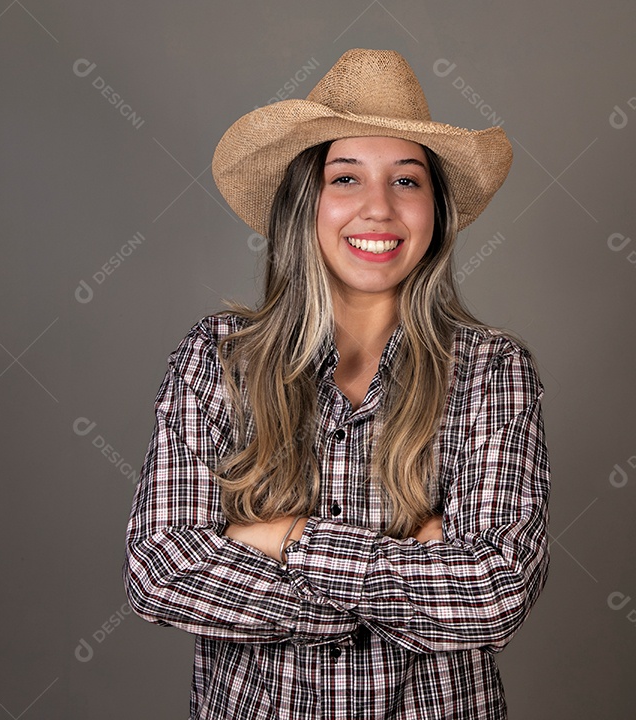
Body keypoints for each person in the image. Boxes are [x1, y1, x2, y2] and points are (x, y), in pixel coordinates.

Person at [124, 48, 550, 719]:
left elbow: (496, 596)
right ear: (305, 203)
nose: (378, 208)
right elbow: (162, 573)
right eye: (346, 177)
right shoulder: (217, 359)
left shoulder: (492, 370)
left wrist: (283, 539)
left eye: (407, 182)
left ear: (434, 209)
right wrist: (407, 566)